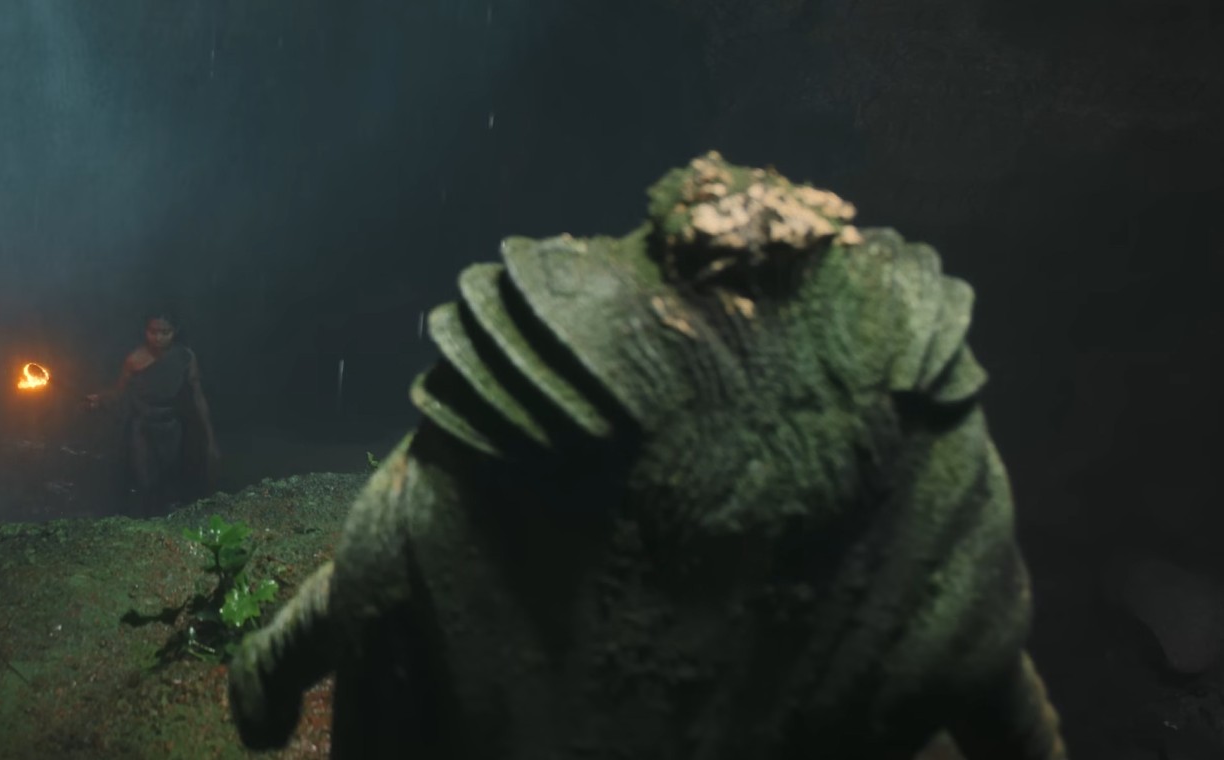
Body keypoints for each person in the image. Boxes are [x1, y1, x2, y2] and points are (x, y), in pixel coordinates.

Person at [225, 153, 1068, 759]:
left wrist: (270, 675)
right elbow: (989, 667)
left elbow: (389, 549)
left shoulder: (516, 434)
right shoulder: (926, 451)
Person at [87, 310, 219, 515]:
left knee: (172, 480)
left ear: (175, 331)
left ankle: (171, 522)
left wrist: (209, 437)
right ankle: (146, 521)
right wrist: (99, 399)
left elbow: (197, 396)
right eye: (153, 332)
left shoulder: (184, 357)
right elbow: (120, 392)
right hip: (143, 428)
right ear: (146, 331)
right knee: (145, 481)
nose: (158, 338)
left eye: (165, 332)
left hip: (172, 426)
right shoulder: (134, 360)